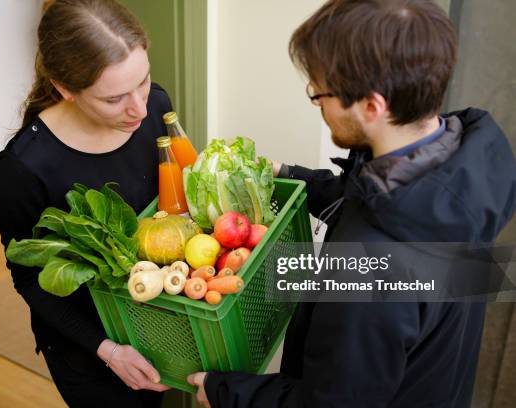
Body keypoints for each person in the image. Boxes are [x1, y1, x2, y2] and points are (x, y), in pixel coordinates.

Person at [187, 0, 516, 406]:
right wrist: (287, 172)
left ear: (372, 106)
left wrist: (223, 391)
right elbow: (361, 195)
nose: (319, 104)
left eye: (320, 93)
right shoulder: (459, 163)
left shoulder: (372, 269)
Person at [0, 0, 172, 406]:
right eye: (113, 99)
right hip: (89, 351)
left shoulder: (156, 106)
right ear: (64, 88)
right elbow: (30, 281)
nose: (140, 107)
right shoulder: (21, 173)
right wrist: (108, 351)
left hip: (159, 320)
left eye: (143, 81)